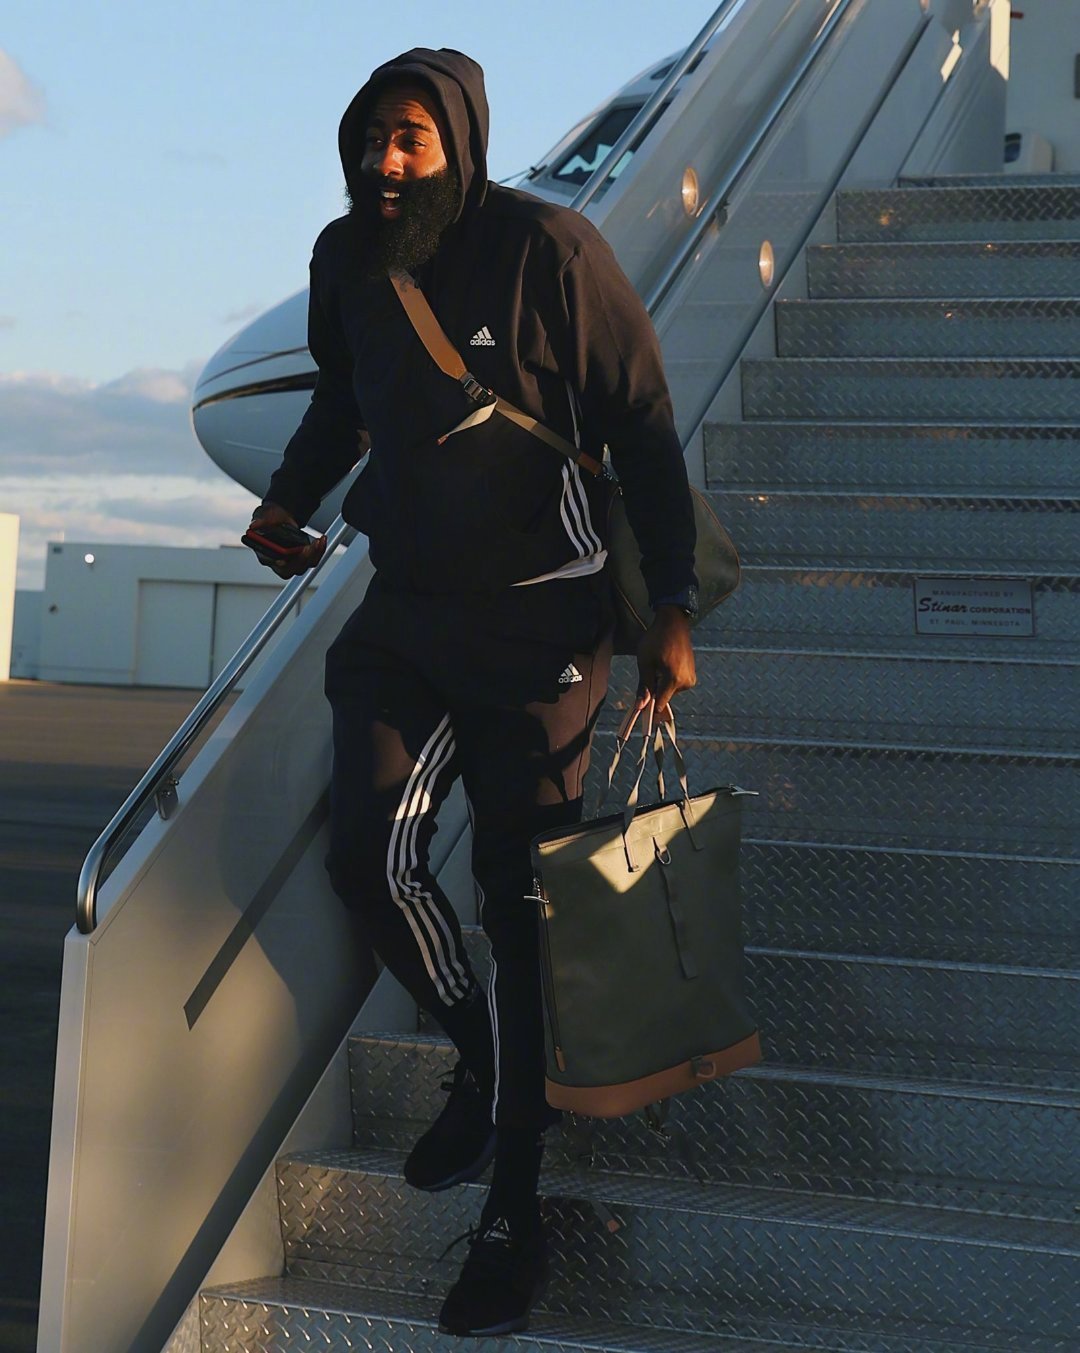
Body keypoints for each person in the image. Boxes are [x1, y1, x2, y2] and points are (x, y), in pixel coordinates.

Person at [247, 47, 698, 1337]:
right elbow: (348, 398)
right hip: (407, 612)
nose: (384, 161)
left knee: (521, 897)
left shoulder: (550, 250)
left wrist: (669, 608)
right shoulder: (347, 259)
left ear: (459, 143)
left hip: (541, 619)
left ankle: (513, 1208)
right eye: (369, 138)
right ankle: (490, 1058)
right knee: (369, 857)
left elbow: (642, 422)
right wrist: (289, 497)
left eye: (410, 139)